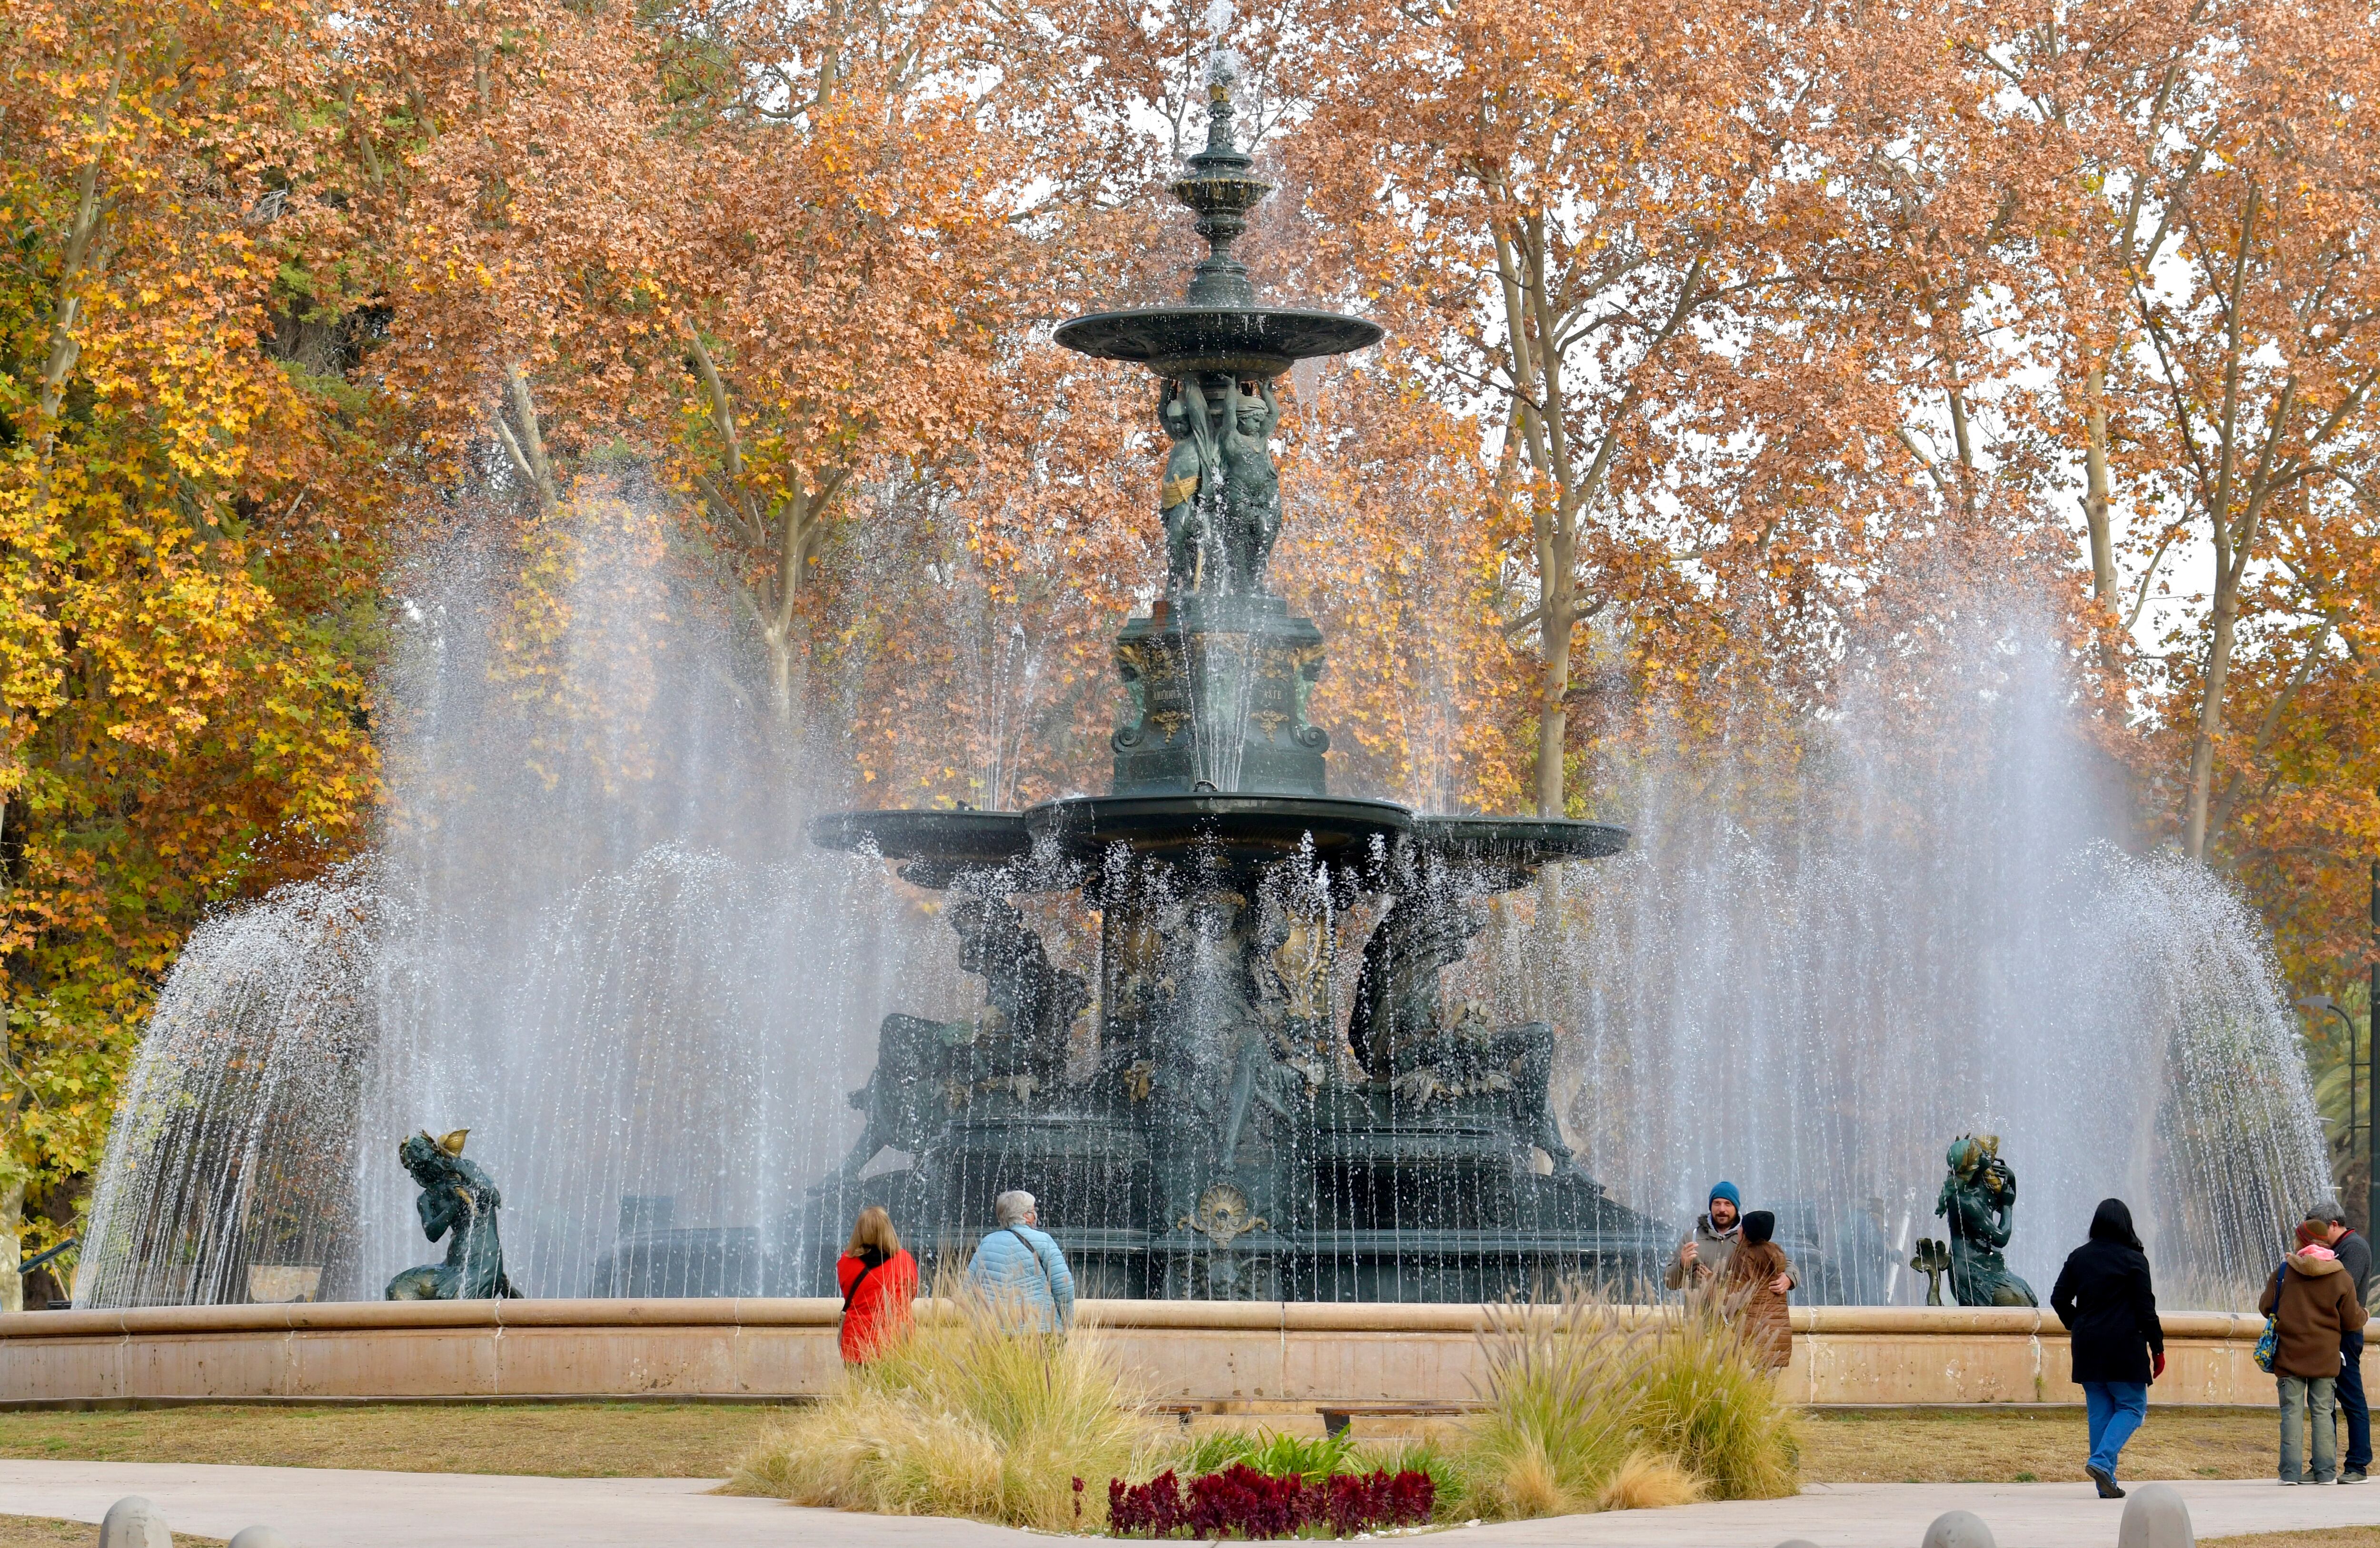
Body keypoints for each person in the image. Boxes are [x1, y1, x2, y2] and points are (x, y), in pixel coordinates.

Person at [2050, 1198, 2165, 1498]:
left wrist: (2078, 1324)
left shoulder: (2079, 1258)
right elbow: (2145, 1309)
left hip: (2087, 1346)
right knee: (2132, 1406)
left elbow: (2058, 1299)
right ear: (2126, 1224)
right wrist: (2158, 1347)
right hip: (2124, 1346)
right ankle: (2101, 1462)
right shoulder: (2134, 1260)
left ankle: (2106, 1484)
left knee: (2100, 1412)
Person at [2260, 1224, 2370, 1485]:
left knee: (2292, 1413)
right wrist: (2364, 1314)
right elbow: (2352, 1320)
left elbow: (2266, 1307)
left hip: (2289, 1356)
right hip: (2326, 1357)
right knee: (2323, 1412)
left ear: (2302, 1242)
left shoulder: (2285, 1272)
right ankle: (2326, 1473)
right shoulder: (2340, 1276)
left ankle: (2289, 1474)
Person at [2304, 1202, 2372, 1483]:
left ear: (2334, 1224)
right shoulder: (2340, 1248)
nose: (2316, 1237)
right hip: (2331, 1334)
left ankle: (2358, 1465)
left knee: (2352, 1399)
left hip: (2345, 1335)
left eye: (2319, 1230)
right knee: (2324, 1401)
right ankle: (2323, 1465)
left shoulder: (2353, 1248)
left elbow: (2341, 1289)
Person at [970, 1188, 1075, 1332]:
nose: (1036, 1215)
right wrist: (1066, 1321)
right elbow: (1064, 1286)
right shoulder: (1043, 1241)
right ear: (1026, 1216)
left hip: (994, 1332)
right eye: (1033, 1211)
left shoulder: (987, 1243)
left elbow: (968, 1287)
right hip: (1040, 1329)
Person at [835, 1205, 919, 1363]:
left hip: (856, 1345)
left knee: (860, 1388)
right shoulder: (904, 1261)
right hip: (895, 1344)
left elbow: (848, 1293)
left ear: (859, 1231)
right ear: (888, 1230)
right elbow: (911, 1293)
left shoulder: (846, 1262)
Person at [1724, 1209, 1796, 1370]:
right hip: (1778, 1335)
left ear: (1746, 1231)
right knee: (1767, 1389)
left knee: (1749, 1388)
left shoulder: (1745, 1256)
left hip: (1754, 1335)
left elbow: (1733, 1296)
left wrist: (1709, 1281)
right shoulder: (1776, 1252)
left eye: (1741, 1227)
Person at [1666, 1181, 1744, 1296]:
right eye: (1717, 1203)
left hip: (1735, 1314)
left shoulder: (1748, 1238)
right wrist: (1682, 1265)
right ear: (1711, 1206)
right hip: (1698, 1314)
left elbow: (1767, 1274)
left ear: (1736, 1208)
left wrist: (1781, 1278)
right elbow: (1670, 1284)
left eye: (1728, 1204)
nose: (1722, 1209)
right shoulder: (1692, 1237)